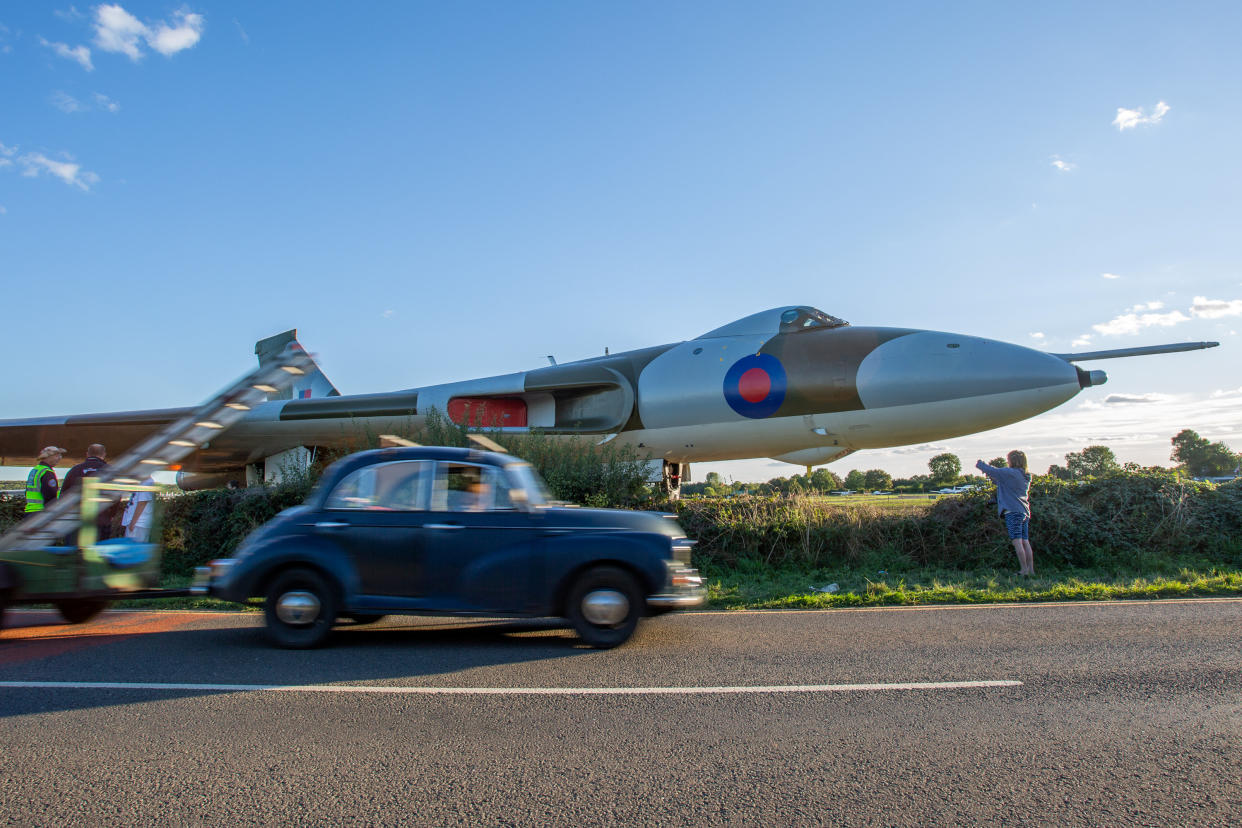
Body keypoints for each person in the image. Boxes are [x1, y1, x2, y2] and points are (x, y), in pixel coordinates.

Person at [976, 451, 1034, 576]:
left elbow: (994, 471)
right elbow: (1002, 482)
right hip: (1024, 511)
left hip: (1012, 511)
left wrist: (980, 464)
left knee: (1017, 541)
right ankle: (1031, 570)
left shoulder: (1010, 473)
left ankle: (1023, 570)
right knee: (1025, 541)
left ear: (1013, 460)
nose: (1007, 462)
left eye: (1008, 459)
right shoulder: (1024, 475)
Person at [62, 443, 119, 540]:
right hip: (101, 520)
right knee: (98, 552)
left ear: (87, 454)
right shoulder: (110, 471)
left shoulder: (74, 470)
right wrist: (110, 515)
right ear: (104, 454)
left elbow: (63, 496)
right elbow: (116, 497)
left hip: (76, 520)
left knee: (73, 552)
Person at [24, 446, 66, 513]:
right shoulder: (47, 472)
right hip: (41, 512)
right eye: (57, 456)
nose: (59, 458)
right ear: (48, 457)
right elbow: (50, 495)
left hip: (30, 510)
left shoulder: (35, 470)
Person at [122, 477, 157, 542]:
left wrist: (132, 523)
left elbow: (142, 502)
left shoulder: (146, 482)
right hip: (136, 524)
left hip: (138, 524)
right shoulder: (143, 481)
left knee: (132, 549)